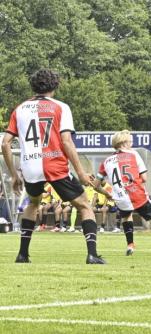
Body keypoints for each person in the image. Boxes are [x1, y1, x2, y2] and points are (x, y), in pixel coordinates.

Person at [2, 69, 105, 264]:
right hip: (55, 165)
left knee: (33, 203)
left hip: (30, 167)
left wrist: (14, 175)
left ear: (33, 86)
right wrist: (81, 172)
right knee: (84, 205)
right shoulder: (61, 107)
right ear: (55, 86)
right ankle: (92, 255)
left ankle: (22, 254)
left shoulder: (20, 109)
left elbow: (5, 143)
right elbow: (66, 142)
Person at [94, 130, 151, 257]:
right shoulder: (133, 154)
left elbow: (96, 186)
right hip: (137, 195)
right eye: (130, 141)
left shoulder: (106, 162)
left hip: (120, 198)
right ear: (124, 143)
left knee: (126, 216)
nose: (132, 143)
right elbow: (145, 178)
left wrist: (108, 194)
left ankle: (130, 244)